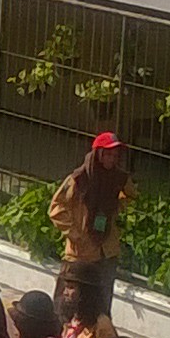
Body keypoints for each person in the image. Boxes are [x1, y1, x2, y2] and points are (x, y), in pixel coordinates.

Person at [49, 132, 132, 316]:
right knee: (67, 301)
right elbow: (56, 208)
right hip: (80, 252)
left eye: (115, 155)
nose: (112, 159)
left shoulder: (119, 178)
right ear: (98, 154)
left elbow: (131, 196)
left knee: (100, 303)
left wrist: (115, 206)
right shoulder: (79, 179)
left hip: (106, 250)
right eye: (108, 154)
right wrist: (76, 235)